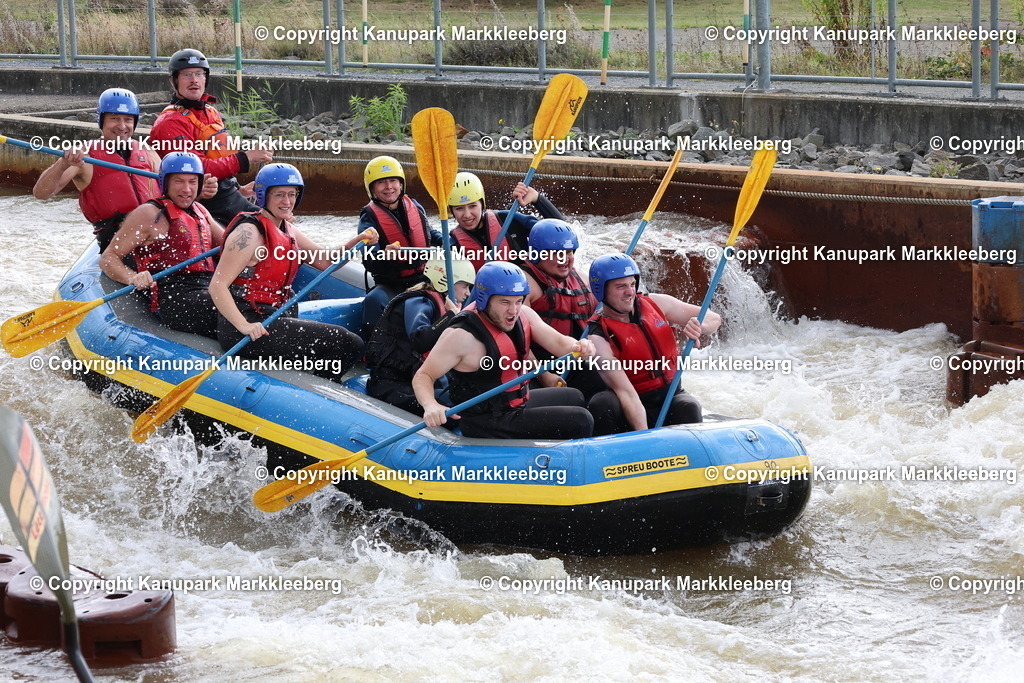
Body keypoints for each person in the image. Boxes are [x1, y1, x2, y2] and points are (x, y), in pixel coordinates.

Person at [208, 163, 377, 382]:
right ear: (263, 196)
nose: (287, 202)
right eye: (279, 195)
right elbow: (217, 286)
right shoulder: (248, 233)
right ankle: (321, 389)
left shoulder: (288, 229)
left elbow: (327, 261)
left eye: (292, 194)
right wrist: (244, 326)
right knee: (347, 342)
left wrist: (357, 242)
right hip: (247, 326)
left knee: (350, 343)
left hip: (273, 316)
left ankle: (318, 383)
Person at [413, 262, 596, 439]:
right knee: (581, 420)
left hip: (514, 405)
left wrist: (580, 346)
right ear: (484, 300)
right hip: (485, 421)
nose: (513, 310)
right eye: (505, 302)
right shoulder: (461, 336)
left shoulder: (524, 314)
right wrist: (430, 405)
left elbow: (560, 343)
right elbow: (423, 375)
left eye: (518, 301)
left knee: (574, 396)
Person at [585, 254, 722, 434]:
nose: (630, 292)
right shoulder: (598, 337)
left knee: (689, 407)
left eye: (632, 284)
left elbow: (714, 318)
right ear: (601, 291)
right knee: (602, 404)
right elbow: (627, 394)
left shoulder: (656, 303)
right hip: (632, 403)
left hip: (669, 396)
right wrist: (646, 438)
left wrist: (700, 327)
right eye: (621, 286)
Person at [100, 152, 223, 338]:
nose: (187, 189)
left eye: (192, 182)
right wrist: (132, 277)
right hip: (175, 299)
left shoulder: (200, 211)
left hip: (207, 287)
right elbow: (108, 258)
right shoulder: (148, 214)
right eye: (179, 181)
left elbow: (229, 246)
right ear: (165, 183)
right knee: (233, 306)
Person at [149, 48, 273, 226]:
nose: (194, 80)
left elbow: (218, 158)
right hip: (202, 204)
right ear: (173, 80)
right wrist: (246, 158)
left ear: (205, 79)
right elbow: (196, 169)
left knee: (281, 223)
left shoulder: (211, 112)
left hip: (225, 196)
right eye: (187, 75)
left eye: (199, 74)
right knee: (267, 225)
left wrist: (239, 189)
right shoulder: (169, 123)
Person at [33, 88, 163, 251]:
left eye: (128, 119)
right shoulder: (85, 156)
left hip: (154, 232)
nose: (122, 126)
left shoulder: (147, 151)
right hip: (116, 240)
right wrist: (63, 164)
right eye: (114, 118)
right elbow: (41, 193)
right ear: (101, 121)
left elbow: (171, 189)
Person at [365, 256, 475, 417]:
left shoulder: (440, 303)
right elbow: (420, 340)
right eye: (464, 286)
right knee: (455, 412)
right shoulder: (418, 301)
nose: (468, 293)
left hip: (415, 381)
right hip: (391, 384)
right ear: (445, 280)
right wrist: (450, 316)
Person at [357, 155, 443, 340]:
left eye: (393, 181)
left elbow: (429, 233)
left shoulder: (415, 207)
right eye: (381, 182)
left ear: (401, 183)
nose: (389, 187)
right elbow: (370, 260)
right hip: (393, 284)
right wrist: (384, 255)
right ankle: (375, 348)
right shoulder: (368, 217)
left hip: (425, 278)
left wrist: (445, 241)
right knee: (373, 300)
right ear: (372, 188)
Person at [447, 172, 565, 272]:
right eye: (459, 208)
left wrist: (537, 199)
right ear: (451, 211)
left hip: (528, 287)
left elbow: (563, 233)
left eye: (472, 206)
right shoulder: (453, 245)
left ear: (482, 204)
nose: (467, 215)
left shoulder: (508, 219)